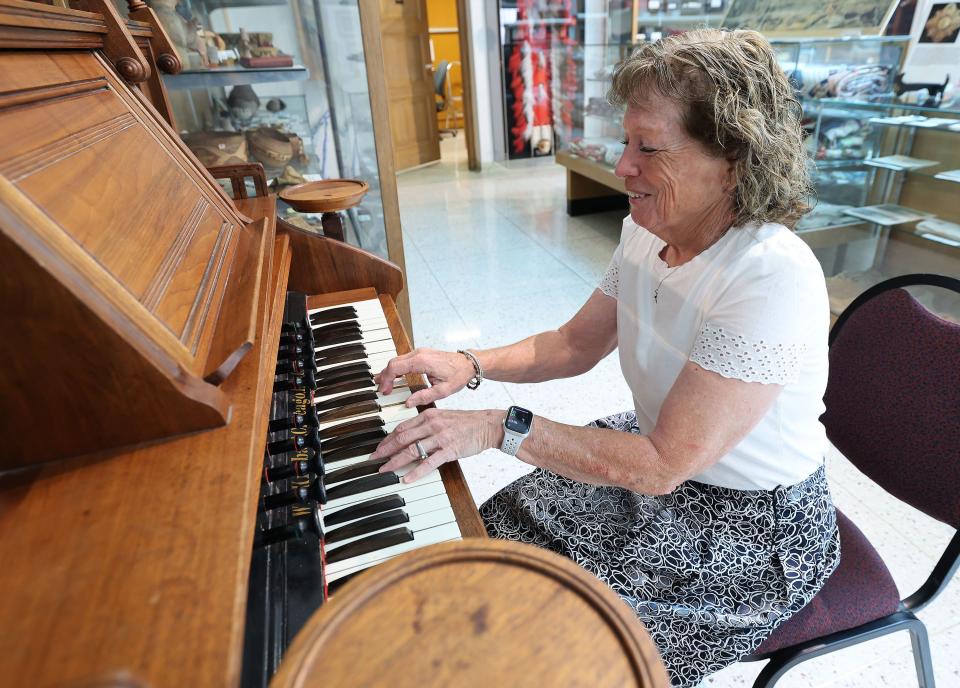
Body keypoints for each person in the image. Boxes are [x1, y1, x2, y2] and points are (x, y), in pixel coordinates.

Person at [369, 29, 840, 688]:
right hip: (660, 457)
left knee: (564, 646)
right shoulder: (651, 231)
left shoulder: (769, 276)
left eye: (649, 148)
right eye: (627, 142)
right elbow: (573, 345)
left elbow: (661, 466)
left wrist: (494, 425)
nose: (622, 167)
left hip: (749, 531)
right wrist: (469, 363)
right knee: (498, 537)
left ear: (734, 156)